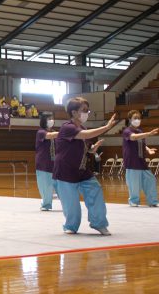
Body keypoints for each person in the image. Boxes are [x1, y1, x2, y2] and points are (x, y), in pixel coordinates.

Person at [53, 97, 116, 235]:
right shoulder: (67, 127)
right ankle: (71, 226)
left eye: (88, 110)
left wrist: (93, 149)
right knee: (72, 206)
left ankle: (98, 223)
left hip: (82, 170)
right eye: (84, 110)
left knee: (95, 191)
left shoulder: (82, 127)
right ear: (74, 112)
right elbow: (85, 135)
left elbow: (85, 148)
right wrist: (106, 127)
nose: (87, 113)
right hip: (65, 172)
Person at [122, 110, 158, 207]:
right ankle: (134, 201)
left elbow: (141, 143)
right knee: (134, 183)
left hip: (141, 160)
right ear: (130, 120)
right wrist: (149, 134)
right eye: (135, 118)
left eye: (139, 118)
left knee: (150, 179)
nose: (137, 120)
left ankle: (153, 201)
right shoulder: (127, 131)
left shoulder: (140, 131)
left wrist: (148, 149)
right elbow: (133, 138)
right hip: (132, 161)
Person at [35, 113, 58, 211]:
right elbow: (50, 136)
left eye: (52, 118)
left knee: (60, 184)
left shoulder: (54, 132)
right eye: (49, 119)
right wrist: (66, 132)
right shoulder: (41, 132)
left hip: (54, 162)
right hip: (43, 163)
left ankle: (58, 197)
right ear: (44, 120)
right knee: (45, 185)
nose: (51, 120)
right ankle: (46, 204)